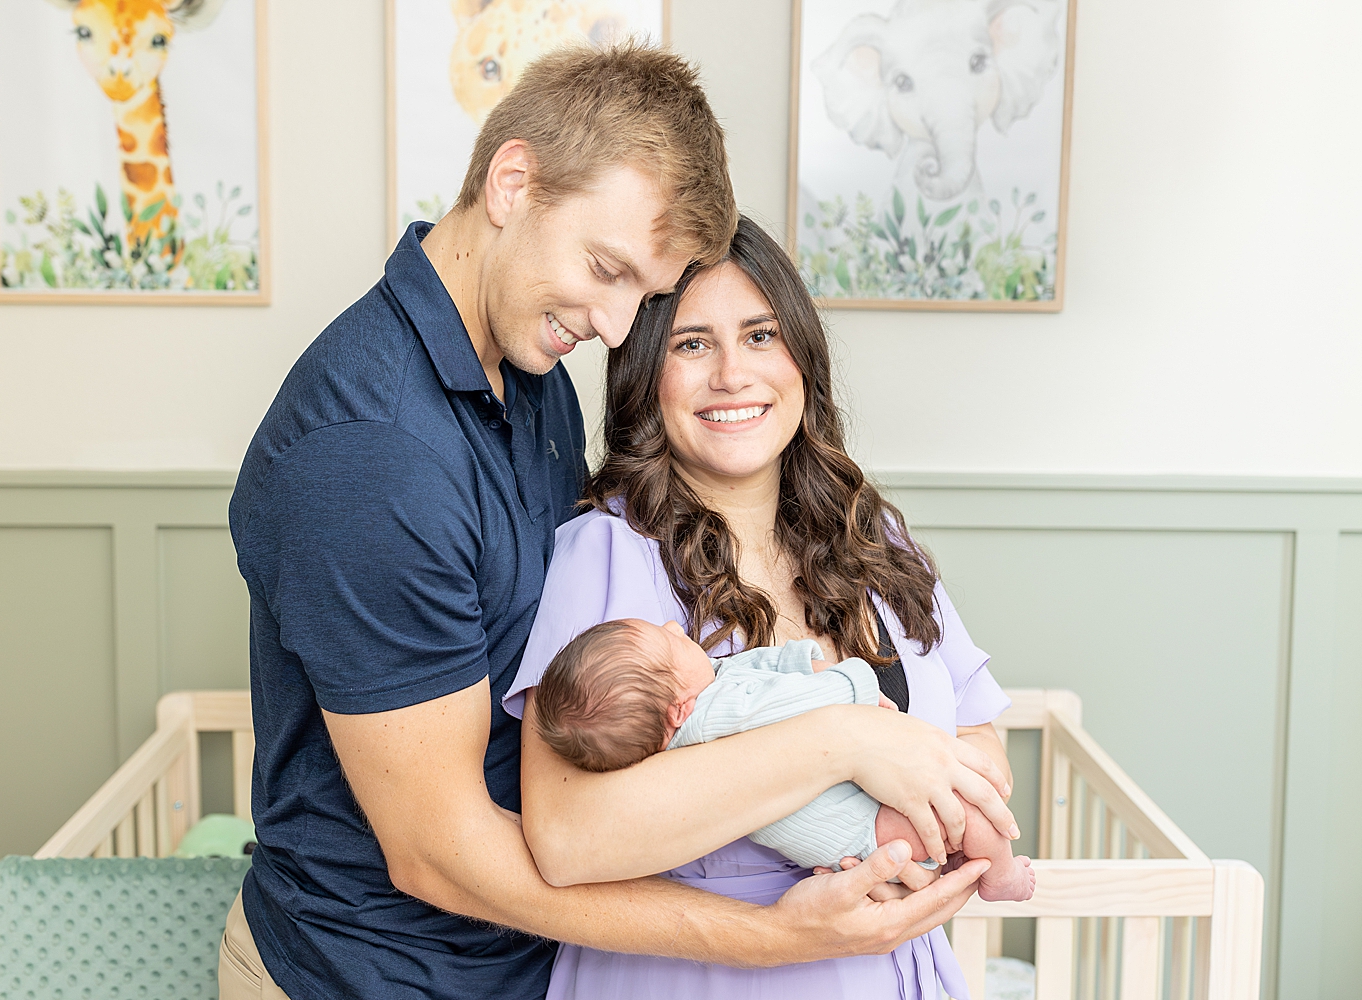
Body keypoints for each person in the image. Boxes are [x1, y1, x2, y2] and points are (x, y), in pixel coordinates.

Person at [224, 40, 1013, 1000]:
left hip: (517, 958)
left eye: (638, 293)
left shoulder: (531, 376)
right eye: (607, 270)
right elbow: (439, 855)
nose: (611, 326)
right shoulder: (368, 454)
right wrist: (774, 935)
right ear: (511, 182)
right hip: (375, 974)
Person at [503, 215, 1020, 999]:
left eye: (759, 335)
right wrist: (845, 741)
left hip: (893, 970)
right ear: (646, 376)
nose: (732, 376)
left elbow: (981, 739)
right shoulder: (608, 554)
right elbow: (570, 837)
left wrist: (915, 840)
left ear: (801, 358)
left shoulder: (872, 537)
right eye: (691, 344)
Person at [534, 618, 1036, 899]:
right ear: (678, 712)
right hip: (858, 825)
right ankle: (999, 878)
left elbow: (759, 669)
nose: (673, 624)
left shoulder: (708, 693)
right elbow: (802, 704)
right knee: (968, 815)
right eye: (669, 641)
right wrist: (858, 688)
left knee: (954, 817)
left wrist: (799, 660)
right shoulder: (715, 716)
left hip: (855, 830)